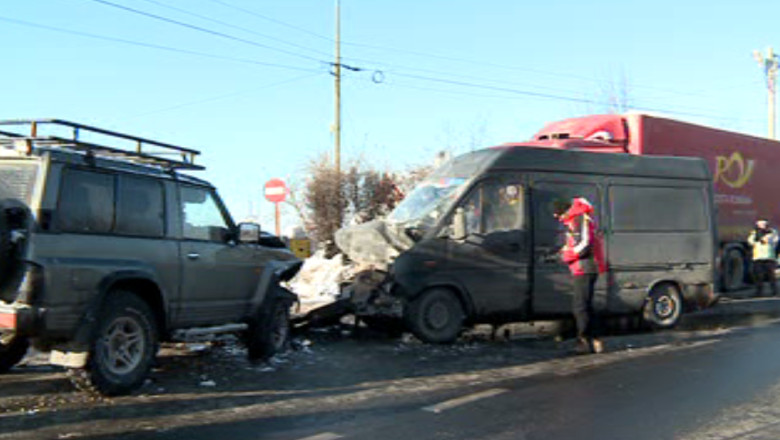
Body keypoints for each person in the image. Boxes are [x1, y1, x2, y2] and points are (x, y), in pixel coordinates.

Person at [558, 197, 607, 354]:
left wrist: (568, 255)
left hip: (584, 268)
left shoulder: (579, 218)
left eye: (558, 214)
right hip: (584, 267)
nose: (557, 217)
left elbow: (585, 243)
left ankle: (584, 341)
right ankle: (595, 340)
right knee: (586, 306)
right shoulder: (578, 219)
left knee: (580, 307)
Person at [747, 219, 779, 296]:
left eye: (764, 224)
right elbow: (750, 241)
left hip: (769, 257)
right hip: (758, 257)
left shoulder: (772, 232)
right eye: (761, 224)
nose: (763, 226)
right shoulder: (754, 233)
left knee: (771, 276)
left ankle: (774, 292)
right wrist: (757, 239)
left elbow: (775, 240)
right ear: (758, 225)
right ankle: (759, 292)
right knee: (759, 276)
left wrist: (766, 238)